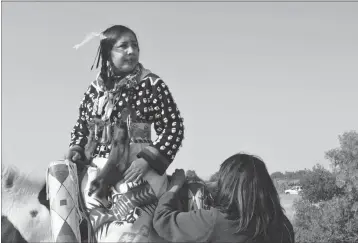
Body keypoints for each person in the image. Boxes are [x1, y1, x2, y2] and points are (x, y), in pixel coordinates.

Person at [67, 25, 184, 184]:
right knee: (59, 183)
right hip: (94, 170)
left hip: (137, 171)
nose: (131, 51)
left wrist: (146, 161)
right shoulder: (95, 90)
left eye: (135, 45)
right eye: (123, 46)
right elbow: (82, 127)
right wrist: (76, 149)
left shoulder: (151, 84)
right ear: (108, 53)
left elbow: (173, 126)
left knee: (130, 206)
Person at [153, 153, 295, 243]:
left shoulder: (215, 222)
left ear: (229, 187)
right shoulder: (282, 225)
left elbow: (163, 221)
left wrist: (174, 187)